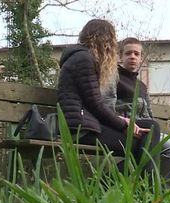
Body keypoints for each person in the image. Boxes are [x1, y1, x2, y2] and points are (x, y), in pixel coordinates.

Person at [57, 20, 160, 173]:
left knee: (149, 129)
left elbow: (93, 103)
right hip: (79, 129)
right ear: (105, 40)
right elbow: (95, 104)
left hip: (86, 123)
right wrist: (123, 125)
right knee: (144, 142)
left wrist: (123, 121)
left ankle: (112, 186)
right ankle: (117, 185)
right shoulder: (83, 59)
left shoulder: (83, 58)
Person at [116, 37, 170, 178]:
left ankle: (162, 184)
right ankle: (148, 184)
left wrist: (154, 131)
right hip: (131, 131)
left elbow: (149, 114)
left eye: (136, 54)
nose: (132, 56)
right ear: (120, 56)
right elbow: (108, 107)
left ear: (141, 58)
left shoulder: (142, 86)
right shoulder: (114, 79)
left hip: (150, 132)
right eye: (128, 53)